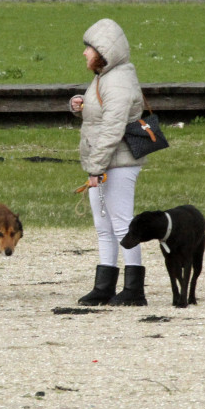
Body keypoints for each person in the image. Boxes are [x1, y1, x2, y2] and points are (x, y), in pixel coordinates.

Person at [68, 18, 148, 307]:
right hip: (104, 163)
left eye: (89, 48)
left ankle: (134, 290)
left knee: (123, 225)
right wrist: (80, 104)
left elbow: (113, 129)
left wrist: (96, 168)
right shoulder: (104, 76)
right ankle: (104, 286)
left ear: (103, 51)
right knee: (104, 226)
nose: (85, 53)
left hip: (118, 164)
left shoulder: (118, 80)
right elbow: (100, 115)